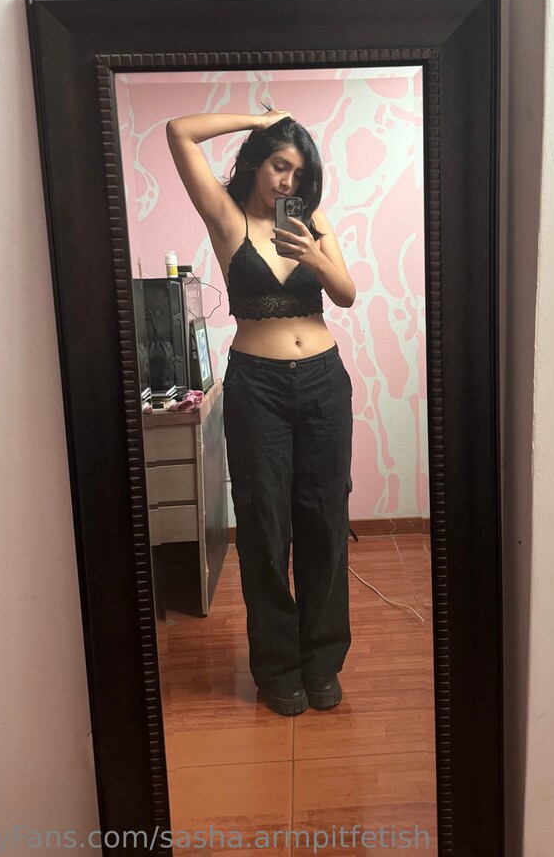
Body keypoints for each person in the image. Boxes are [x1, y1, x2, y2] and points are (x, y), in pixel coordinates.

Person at [165, 108, 356, 717]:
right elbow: (179, 132)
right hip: (259, 388)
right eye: (279, 165)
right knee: (264, 526)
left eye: (298, 173)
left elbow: (347, 294)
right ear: (256, 162)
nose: (287, 182)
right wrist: (260, 118)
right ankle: (278, 668)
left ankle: (322, 663)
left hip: (324, 383)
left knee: (324, 522)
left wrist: (315, 255)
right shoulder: (226, 219)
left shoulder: (311, 220)